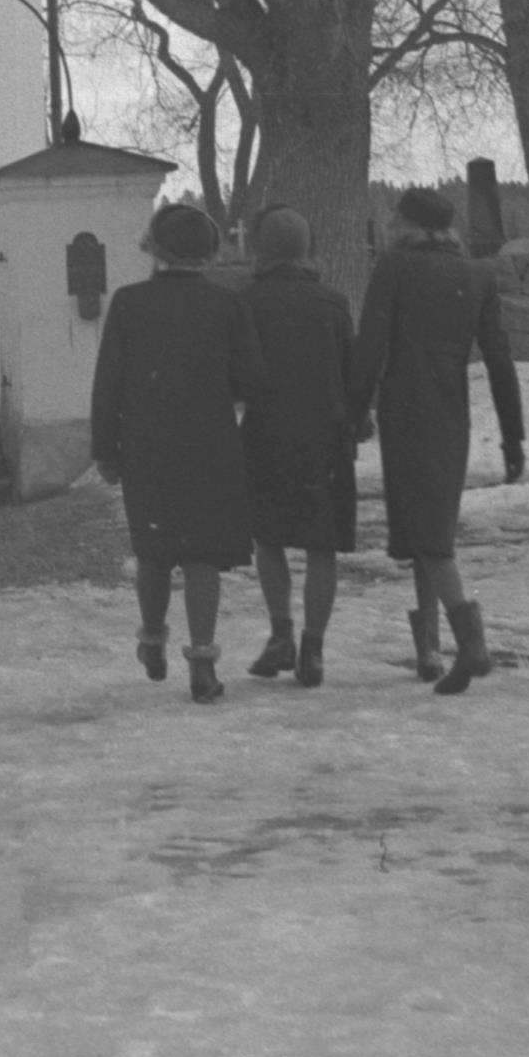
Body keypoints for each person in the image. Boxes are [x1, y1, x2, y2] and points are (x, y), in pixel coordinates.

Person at [347, 184, 528, 694]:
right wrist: (513, 438)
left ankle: (470, 646)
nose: (388, 227)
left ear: (411, 226)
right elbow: (500, 361)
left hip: (407, 408)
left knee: (429, 536)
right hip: (451, 410)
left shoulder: (395, 268)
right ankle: (429, 651)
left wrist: (352, 417)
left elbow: (369, 348)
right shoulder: (477, 275)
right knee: (428, 526)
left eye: (394, 219)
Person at [90, 200, 268, 704]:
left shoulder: (129, 303)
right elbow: (252, 379)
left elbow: (108, 383)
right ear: (208, 252)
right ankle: (203, 662)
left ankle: (152, 639)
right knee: (201, 556)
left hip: (147, 443)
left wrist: (105, 449)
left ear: (155, 248)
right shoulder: (226, 304)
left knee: (154, 550)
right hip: (210, 442)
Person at [238, 206, 358, 688]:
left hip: (267, 433)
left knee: (268, 539)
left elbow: (241, 374)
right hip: (325, 436)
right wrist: (356, 419)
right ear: (306, 248)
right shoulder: (332, 302)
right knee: (322, 545)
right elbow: (351, 370)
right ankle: (314, 650)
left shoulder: (248, 301)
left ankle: (280, 634)